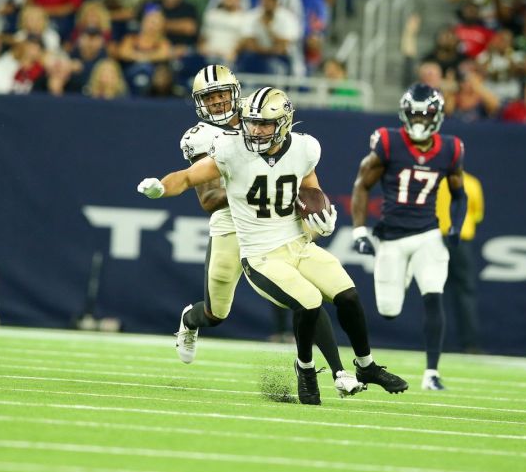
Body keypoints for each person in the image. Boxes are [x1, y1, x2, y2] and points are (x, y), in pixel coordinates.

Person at [138, 88, 408, 405]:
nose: (256, 130)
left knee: (347, 295)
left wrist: (320, 215)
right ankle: (305, 369)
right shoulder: (230, 149)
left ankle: (366, 366)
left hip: (296, 243)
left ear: (284, 122)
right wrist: (161, 186)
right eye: (252, 123)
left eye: (265, 124)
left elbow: (310, 189)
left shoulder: (305, 148)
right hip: (259, 250)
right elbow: (187, 178)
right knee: (251, 309)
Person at [170, 68, 360, 397]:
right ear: (199, 103)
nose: (217, 103)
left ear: (236, 92)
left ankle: (339, 371)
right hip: (231, 224)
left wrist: (315, 204)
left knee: (309, 294)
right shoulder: (200, 137)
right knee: (216, 314)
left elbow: (295, 165)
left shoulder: (259, 111)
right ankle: (191, 320)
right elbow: (209, 199)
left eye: (222, 94)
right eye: (209, 98)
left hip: (276, 219)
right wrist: (252, 185)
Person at [351, 85, 468, 390]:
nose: (419, 119)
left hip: (428, 233)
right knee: (389, 311)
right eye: (414, 113)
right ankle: (401, 276)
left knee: (433, 292)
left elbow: (460, 194)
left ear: (437, 116)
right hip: (392, 237)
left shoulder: (451, 148)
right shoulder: (388, 142)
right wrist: (360, 230)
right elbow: (362, 185)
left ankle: (431, 373)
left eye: (425, 113)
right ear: (404, 114)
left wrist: (455, 225)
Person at [436, 169, 484, 353]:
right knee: (464, 291)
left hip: (437, 239)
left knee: (435, 291)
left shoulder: (436, 182)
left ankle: (437, 342)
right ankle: (469, 344)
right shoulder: (470, 182)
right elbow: (477, 214)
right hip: (460, 240)